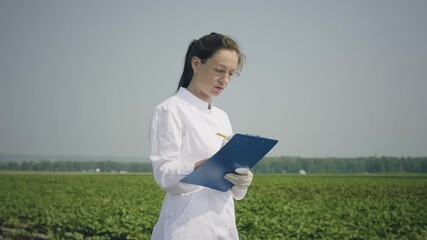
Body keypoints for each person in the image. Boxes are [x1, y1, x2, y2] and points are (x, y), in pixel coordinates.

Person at [148, 32, 254, 239]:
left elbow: (227, 182)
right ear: (196, 64)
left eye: (231, 73)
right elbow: (165, 175)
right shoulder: (170, 110)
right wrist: (205, 166)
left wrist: (240, 181)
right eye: (219, 70)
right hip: (186, 227)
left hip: (223, 225)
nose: (225, 80)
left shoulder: (222, 116)